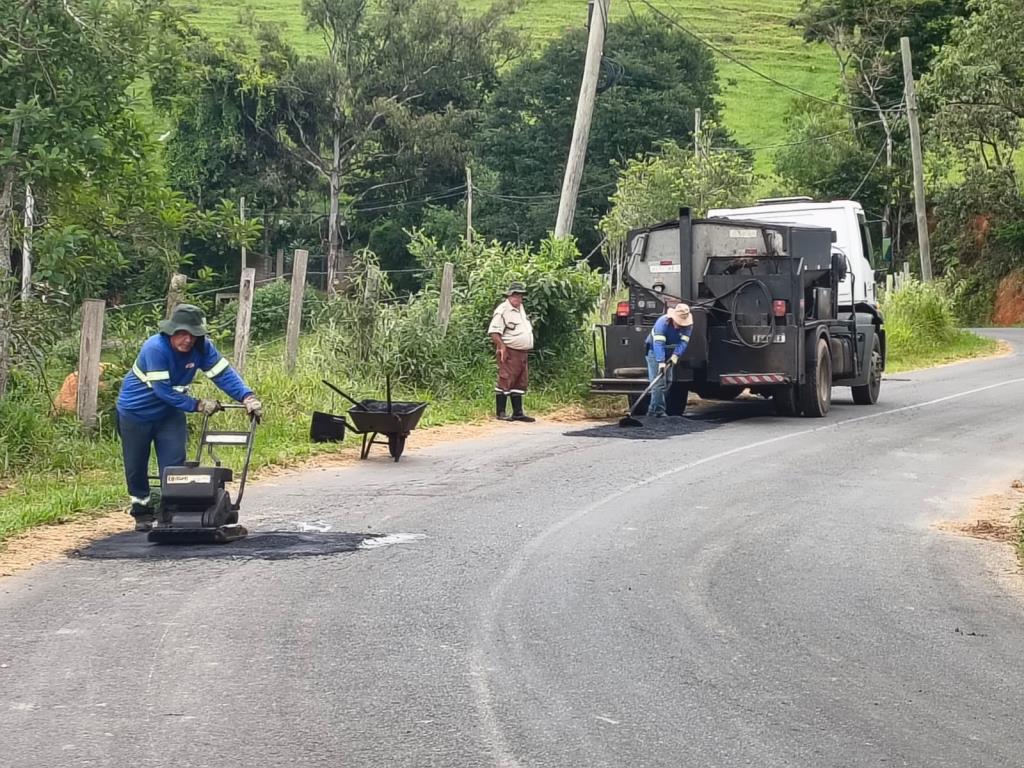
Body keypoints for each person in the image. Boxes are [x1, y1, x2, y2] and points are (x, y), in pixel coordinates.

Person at [115, 303, 263, 531]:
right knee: (136, 466)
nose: (188, 340)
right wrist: (198, 404)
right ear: (171, 331)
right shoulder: (155, 348)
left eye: (193, 335)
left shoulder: (203, 348)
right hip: (136, 414)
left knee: (174, 465)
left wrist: (247, 396)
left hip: (169, 414)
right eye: (182, 334)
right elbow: (162, 391)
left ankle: (170, 510)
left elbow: (223, 374)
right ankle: (141, 510)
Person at [488, 281, 535, 422]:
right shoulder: (502, 311)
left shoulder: (521, 309)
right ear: (509, 296)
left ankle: (518, 412)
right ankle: (501, 413)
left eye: (520, 296)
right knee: (505, 379)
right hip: (510, 351)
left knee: (520, 381)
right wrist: (502, 347)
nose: (518, 299)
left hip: (522, 352)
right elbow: (494, 332)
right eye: (515, 295)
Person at [645, 303, 694, 417]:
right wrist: (660, 362)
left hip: (670, 352)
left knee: (668, 382)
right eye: (678, 323)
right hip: (654, 351)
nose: (679, 326)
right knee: (658, 383)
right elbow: (658, 344)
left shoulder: (688, 326)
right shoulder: (662, 323)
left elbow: (683, 342)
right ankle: (659, 411)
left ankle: (652, 410)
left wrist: (676, 355)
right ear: (672, 318)